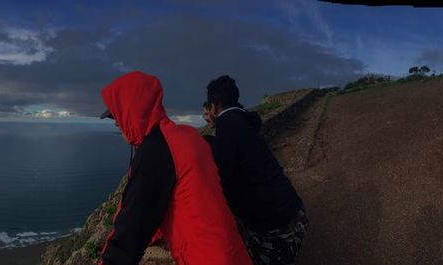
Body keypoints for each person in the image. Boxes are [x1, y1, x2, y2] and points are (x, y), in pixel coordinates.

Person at [97, 71, 250, 265]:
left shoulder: (157, 150)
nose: (116, 122)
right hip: (232, 252)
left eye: (116, 114)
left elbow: (129, 234)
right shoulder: (186, 135)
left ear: (131, 110)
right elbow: (176, 200)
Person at [203, 75, 308, 265]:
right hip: (295, 212)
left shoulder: (227, 125)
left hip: (275, 227)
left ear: (214, 105)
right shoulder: (246, 120)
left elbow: (221, 171)